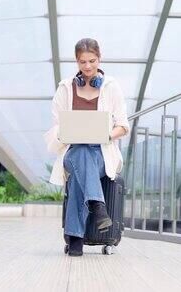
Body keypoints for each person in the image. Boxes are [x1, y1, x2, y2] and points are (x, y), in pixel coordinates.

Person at [44, 38, 130, 256]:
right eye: (82, 62)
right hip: (71, 151)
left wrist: (105, 134)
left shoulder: (111, 87)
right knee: (80, 152)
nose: (88, 66)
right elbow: (56, 126)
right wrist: (67, 133)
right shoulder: (65, 88)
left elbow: (123, 126)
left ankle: (75, 238)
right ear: (76, 61)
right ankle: (97, 207)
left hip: (102, 153)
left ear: (99, 59)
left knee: (80, 172)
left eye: (92, 61)